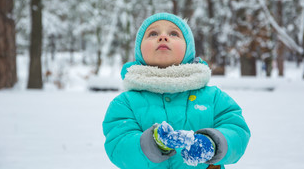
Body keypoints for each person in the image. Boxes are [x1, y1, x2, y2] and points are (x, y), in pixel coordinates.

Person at [102, 13, 250, 169]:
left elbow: (237, 132)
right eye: (153, 34)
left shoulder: (214, 98)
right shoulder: (125, 103)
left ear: (188, 49)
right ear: (139, 50)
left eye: (174, 33)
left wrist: (214, 143)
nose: (163, 37)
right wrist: (153, 143)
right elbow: (118, 146)